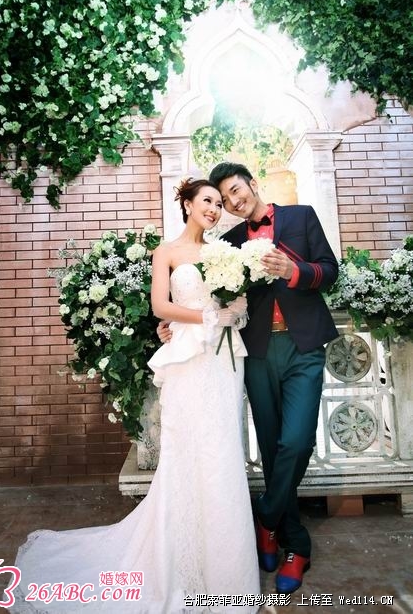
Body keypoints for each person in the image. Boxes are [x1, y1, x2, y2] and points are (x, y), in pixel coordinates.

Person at [9, 178, 260, 614]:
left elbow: (238, 305)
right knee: (187, 451)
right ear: (187, 204)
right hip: (187, 361)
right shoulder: (167, 252)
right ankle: (179, 563)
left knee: (222, 452)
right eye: (207, 201)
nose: (215, 208)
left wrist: (231, 313)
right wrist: (206, 316)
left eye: (219, 203)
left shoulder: (226, 252)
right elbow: (161, 307)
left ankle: (227, 574)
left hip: (223, 362)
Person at [159, 163, 339, 595]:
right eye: (223, 199)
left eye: (236, 191)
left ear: (252, 184)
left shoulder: (301, 217)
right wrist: (171, 325)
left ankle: (267, 515)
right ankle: (295, 545)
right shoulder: (229, 243)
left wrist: (292, 270)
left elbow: (329, 271)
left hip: (303, 347)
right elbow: (207, 297)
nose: (233, 202)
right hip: (255, 352)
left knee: (297, 441)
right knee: (274, 448)